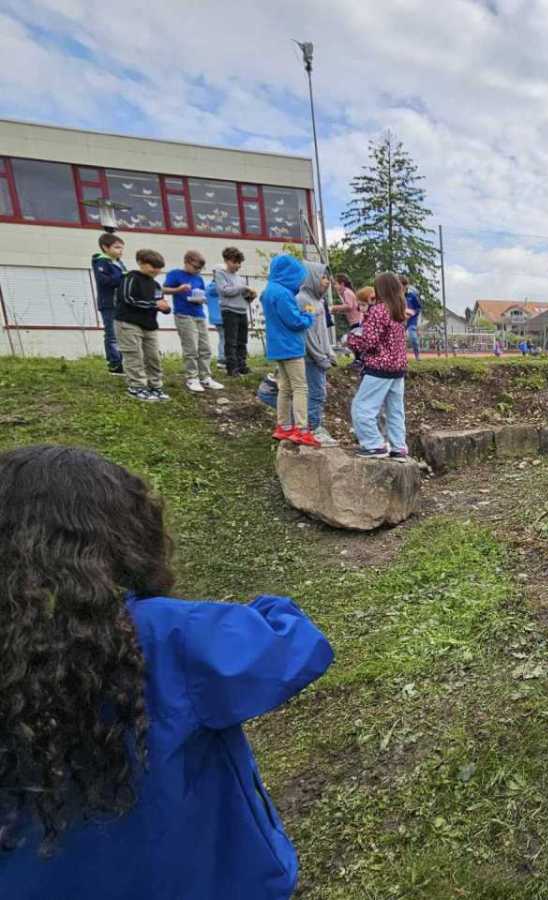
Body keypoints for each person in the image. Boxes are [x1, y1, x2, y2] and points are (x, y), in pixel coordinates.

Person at [0, 445, 333, 899]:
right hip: (207, 880)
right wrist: (271, 605)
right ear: (124, 535)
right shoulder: (167, 634)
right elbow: (296, 645)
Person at [348, 272, 411, 459]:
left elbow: (370, 342)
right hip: (398, 369)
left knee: (362, 407)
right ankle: (398, 447)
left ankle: (373, 444)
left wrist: (351, 339)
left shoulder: (378, 311)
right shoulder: (399, 310)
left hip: (380, 368)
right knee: (395, 410)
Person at [261, 254, 319, 447]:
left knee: (284, 388)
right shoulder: (283, 294)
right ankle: (302, 430)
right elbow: (294, 322)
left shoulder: (269, 290)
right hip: (291, 347)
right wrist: (308, 316)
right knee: (300, 387)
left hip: (277, 347)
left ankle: (284, 426)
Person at [114, 249, 172, 402]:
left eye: (159, 267)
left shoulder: (156, 285)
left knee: (153, 357)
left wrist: (165, 308)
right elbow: (128, 299)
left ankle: (155, 386)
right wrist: (154, 304)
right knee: (134, 356)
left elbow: (160, 303)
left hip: (149, 325)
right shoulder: (131, 277)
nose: (156, 270)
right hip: (128, 322)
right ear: (141, 262)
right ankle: (137, 387)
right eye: (152, 266)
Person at [164, 250, 222, 394]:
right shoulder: (175, 274)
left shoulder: (199, 278)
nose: (197, 270)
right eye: (195, 267)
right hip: (184, 314)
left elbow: (202, 294)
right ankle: (192, 377)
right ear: (187, 262)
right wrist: (179, 289)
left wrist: (203, 300)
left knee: (205, 347)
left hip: (199, 314)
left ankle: (205, 377)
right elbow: (163, 289)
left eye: (200, 269)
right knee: (191, 347)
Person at [299, 262, 337, 447]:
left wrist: (329, 351)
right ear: (312, 277)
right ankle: (312, 429)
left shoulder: (318, 301)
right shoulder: (303, 300)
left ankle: (314, 425)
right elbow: (308, 333)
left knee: (319, 392)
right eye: (323, 277)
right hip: (310, 357)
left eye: (328, 277)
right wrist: (319, 356)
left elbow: (322, 332)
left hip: (320, 355)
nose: (327, 281)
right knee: (316, 393)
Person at [214, 247, 256, 377]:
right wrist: (243, 288)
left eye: (239, 263)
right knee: (230, 340)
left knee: (242, 340)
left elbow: (243, 297)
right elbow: (225, 291)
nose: (237, 265)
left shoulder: (241, 279)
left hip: (242, 311)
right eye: (234, 262)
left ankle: (242, 365)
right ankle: (231, 368)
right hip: (229, 311)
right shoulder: (220, 274)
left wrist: (251, 296)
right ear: (226, 261)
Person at [91, 233, 126, 374]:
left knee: (122, 333)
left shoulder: (119, 263)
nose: (120, 251)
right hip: (108, 303)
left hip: (121, 303)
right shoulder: (102, 262)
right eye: (117, 247)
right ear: (105, 247)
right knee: (112, 334)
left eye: (122, 248)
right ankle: (114, 364)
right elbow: (104, 281)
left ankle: (123, 361)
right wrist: (121, 277)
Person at [403, 277, 422, 361]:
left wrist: (412, 313)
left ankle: (417, 356)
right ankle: (401, 357)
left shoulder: (412, 296)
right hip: (400, 320)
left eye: (403, 286)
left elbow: (419, 308)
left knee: (413, 337)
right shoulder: (397, 296)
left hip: (411, 320)